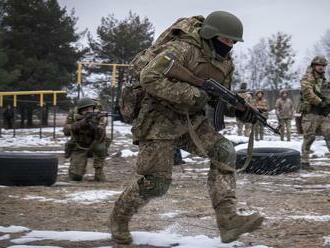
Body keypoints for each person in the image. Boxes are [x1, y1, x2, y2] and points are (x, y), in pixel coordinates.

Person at [110, 11, 263, 245]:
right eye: (226, 40)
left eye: (233, 42)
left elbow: (218, 99)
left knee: (224, 151)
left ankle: (229, 221)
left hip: (192, 122)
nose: (230, 45)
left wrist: (242, 110)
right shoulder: (183, 49)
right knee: (157, 183)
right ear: (211, 35)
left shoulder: (225, 64)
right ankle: (119, 218)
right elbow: (149, 77)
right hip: (158, 120)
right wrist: (193, 95)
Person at [63, 98, 108, 181]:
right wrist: (82, 123)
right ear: (80, 111)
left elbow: (101, 134)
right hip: (79, 145)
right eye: (86, 110)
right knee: (75, 177)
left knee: (101, 147)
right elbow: (66, 131)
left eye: (91, 109)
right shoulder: (73, 115)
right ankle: (79, 168)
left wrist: (94, 124)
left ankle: (99, 171)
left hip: (94, 144)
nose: (89, 111)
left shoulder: (99, 116)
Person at [299, 56, 329, 170]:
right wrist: (321, 103)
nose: (321, 68)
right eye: (319, 65)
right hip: (311, 112)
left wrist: (327, 104)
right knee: (309, 137)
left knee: (329, 135)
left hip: (323, 113)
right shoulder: (308, 78)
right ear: (314, 66)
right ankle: (305, 162)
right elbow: (308, 93)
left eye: (323, 66)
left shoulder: (323, 80)